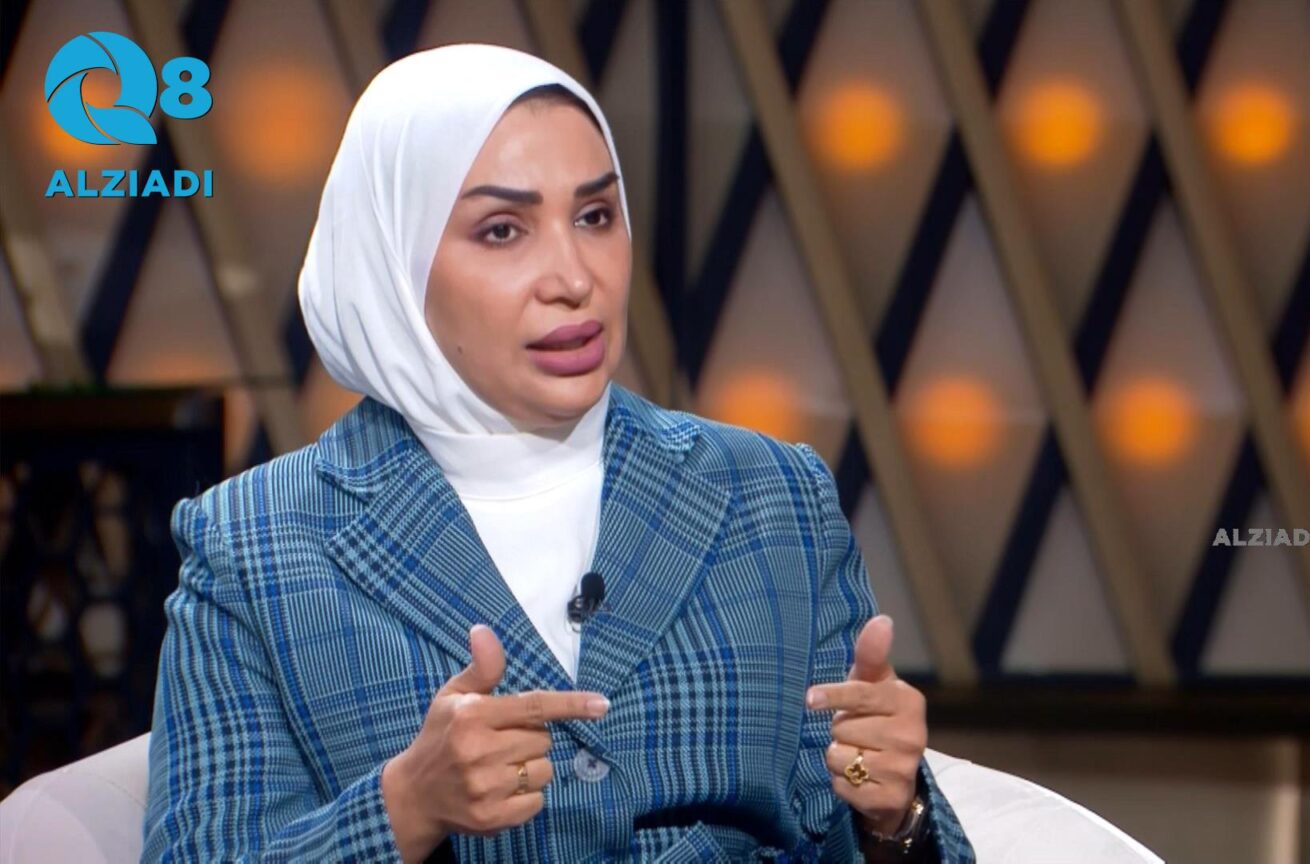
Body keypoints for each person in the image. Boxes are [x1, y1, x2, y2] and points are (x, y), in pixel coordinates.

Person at [140, 44, 975, 863]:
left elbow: (850, 829)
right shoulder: (251, 544)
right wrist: (404, 809)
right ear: (393, 263)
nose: (573, 278)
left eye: (595, 216)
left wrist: (892, 817)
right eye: (503, 230)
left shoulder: (773, 493)